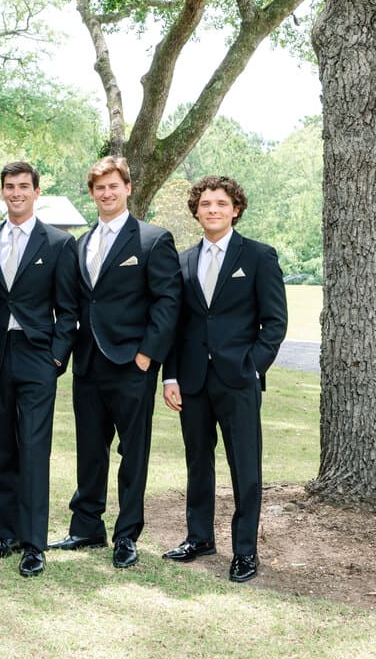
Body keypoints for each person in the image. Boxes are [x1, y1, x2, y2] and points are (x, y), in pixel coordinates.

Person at [49, 156, 180, 569]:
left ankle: (127, 535)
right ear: (92, 193)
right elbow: (72, 303)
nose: (107, 193)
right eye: (99, 188)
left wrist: (146, 356)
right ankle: (86, 526)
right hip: (87, 363)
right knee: (90, 448)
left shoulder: (152, 240)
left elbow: (167, 303)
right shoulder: (80, 243)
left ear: (127, 188)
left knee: (133, 452)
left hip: (131, 364)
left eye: (113, 186)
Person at [160, 176, 287, 583]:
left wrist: (253, 366)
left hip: (238, 379)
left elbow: (275, 323)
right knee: (198, 461)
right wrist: (171, 376)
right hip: (192, 380)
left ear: (236, 209)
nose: (212, 209)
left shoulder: (259, 257)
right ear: (196, 210)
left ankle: (245, 552)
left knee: (244, 467)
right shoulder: (182, 261)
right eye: (205, 203)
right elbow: (176, 326)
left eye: (221, 203)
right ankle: (199, 538)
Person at [0, 162, 79, 577]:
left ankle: (34, 544)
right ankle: (7, 535)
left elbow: (69, 311)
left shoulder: (58, 243)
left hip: (38, 356)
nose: (16, 193)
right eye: (9, 187)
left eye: (23, 186)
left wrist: (56, 358)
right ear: (2, 192)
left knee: (34, 451)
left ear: (37, 191)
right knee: (1, 448)